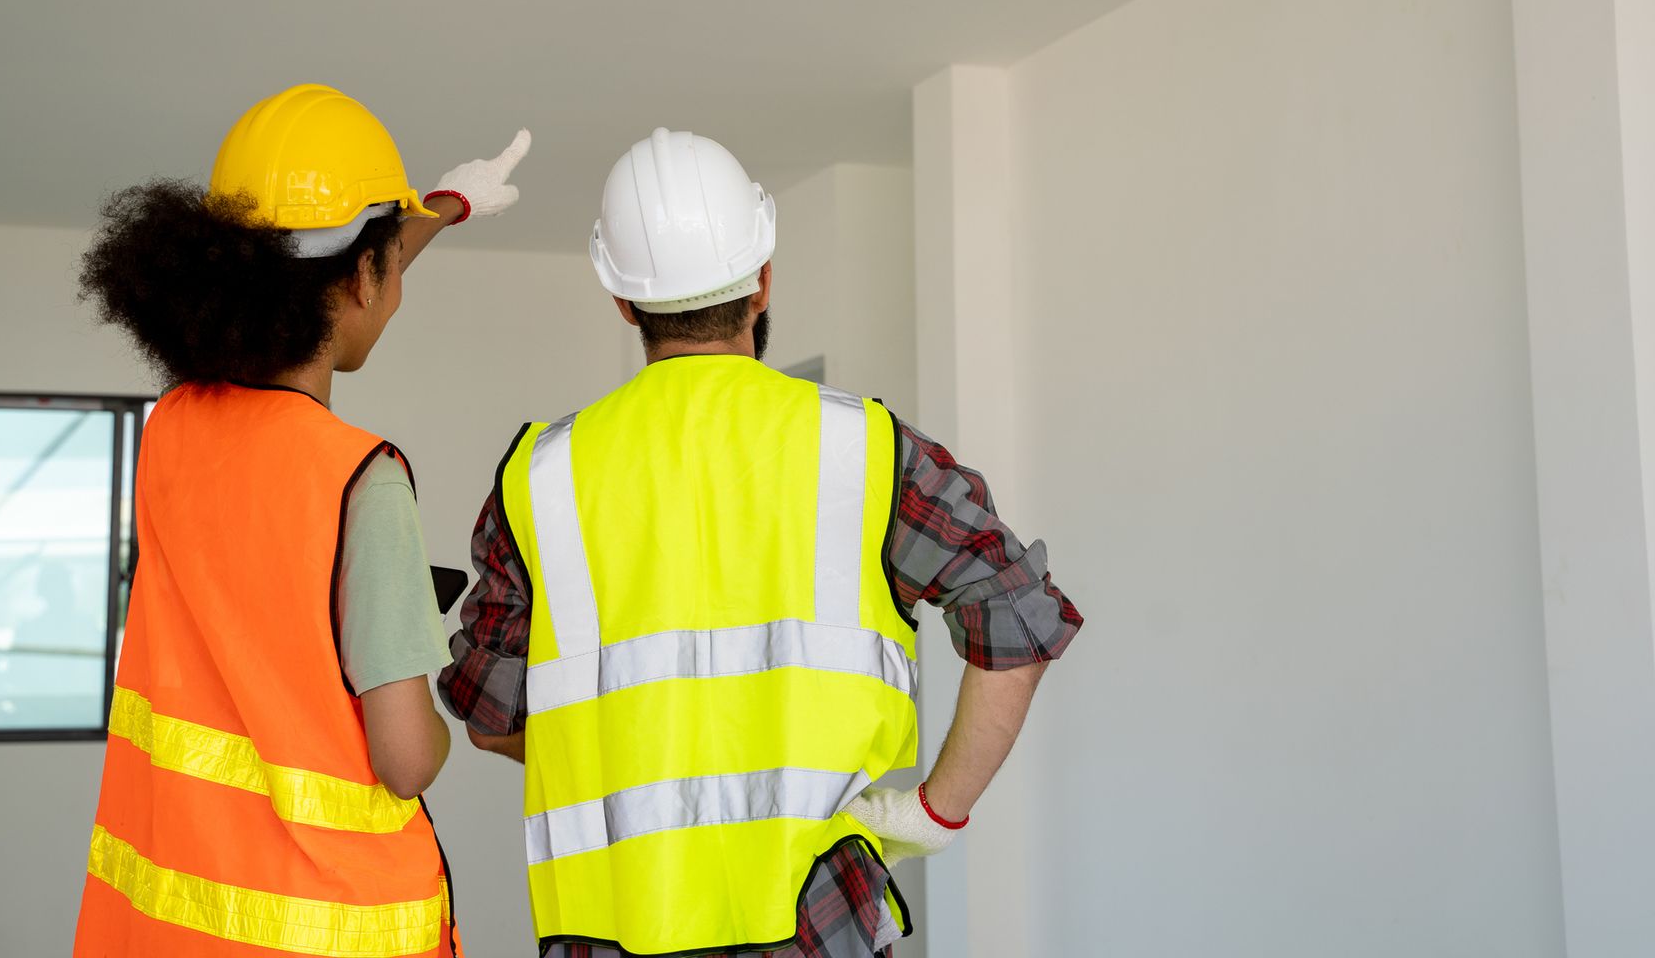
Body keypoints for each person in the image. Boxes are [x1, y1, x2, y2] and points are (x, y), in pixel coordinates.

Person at [438, 127, 1083, 958]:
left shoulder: (539, 477)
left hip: (608, 931)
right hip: (815, 932)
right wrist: (934, 812)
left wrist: (644, 761)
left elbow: (491, 718)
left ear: (621, 299)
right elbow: (1020, 618)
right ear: (763, 276)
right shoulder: (869, 453)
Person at [71, 83, 530, 958]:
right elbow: (406, 760)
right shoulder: (363, 481)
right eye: (390, 265)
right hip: (327, 929)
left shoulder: (171, 430)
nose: (395, 287)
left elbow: (319, 281)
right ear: (364, 276)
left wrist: (437, 211)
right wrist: (415, 670)